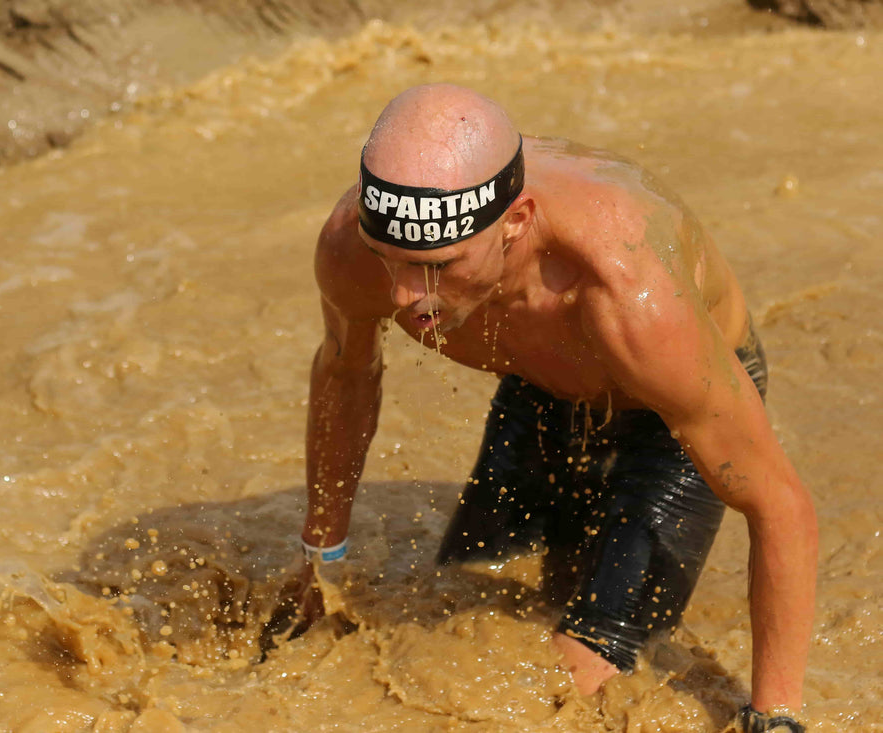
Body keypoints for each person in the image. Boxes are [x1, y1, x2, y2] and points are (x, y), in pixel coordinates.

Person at [266, 84, 816, 731]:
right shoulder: (351, 249)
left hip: (667, 418)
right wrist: (322, 557)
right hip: (543, 387)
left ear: (517, 223)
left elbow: (780, 505)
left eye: (439, 265)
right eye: (391, 260)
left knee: (572, 681)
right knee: (460, 615)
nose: (407, 297)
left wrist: (776, 716)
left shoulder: (627, 294)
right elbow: (346, 378)